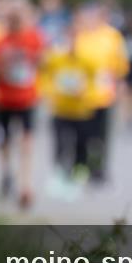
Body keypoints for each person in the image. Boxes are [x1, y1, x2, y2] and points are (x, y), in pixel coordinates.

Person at [0, 0, 45, 209]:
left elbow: (42, 63)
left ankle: (25, 186)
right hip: (3, 99)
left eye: (17, 16)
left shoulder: (34, 38)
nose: (13, 21)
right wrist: (0, 68)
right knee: (4, 141)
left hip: (27, 98)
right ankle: (6, 173)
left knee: (26, 142)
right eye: (10, 17)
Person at [39, 20, 98, 199]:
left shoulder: (89, 59)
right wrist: (51, 93)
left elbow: (97, 82)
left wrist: (85, 93)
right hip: (60, 108)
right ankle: (58, 175)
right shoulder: (55, 58)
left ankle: (79, 175)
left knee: (81, 144)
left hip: (82, 110)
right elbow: (45, 77)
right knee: (60, 143)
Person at [74, 1, 129, 183]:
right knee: (82, 134)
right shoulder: (79, 35)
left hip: (103, 94)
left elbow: (119, 64)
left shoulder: (112, 36)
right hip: (80, 95)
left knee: (100, 135)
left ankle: (98, 168)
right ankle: (80, 165)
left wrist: (120, 85)